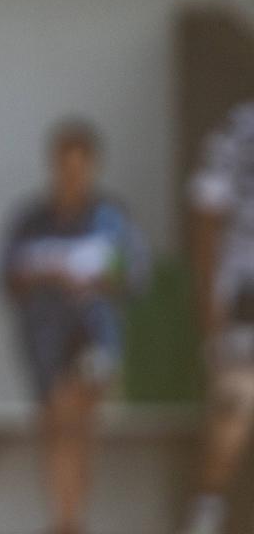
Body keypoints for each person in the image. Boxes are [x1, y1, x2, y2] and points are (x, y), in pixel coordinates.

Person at [0, 119, 149, 534]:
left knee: (75, 419)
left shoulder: (112, 220)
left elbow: (136, 276)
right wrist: (49, 275)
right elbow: (6, 278)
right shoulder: (31, 221)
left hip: (95, 337)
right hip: (43, 342)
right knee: (58, 430)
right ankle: (67, 515)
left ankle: (68, 520)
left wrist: (94, 279)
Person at [184, 101, 254, 534]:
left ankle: (207, 512)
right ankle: (206, 514)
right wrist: (210, 297)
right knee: (235, 403)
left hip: (239, 290)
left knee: (234, 404)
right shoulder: (238, 130)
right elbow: (208, 215)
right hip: (244, 289)